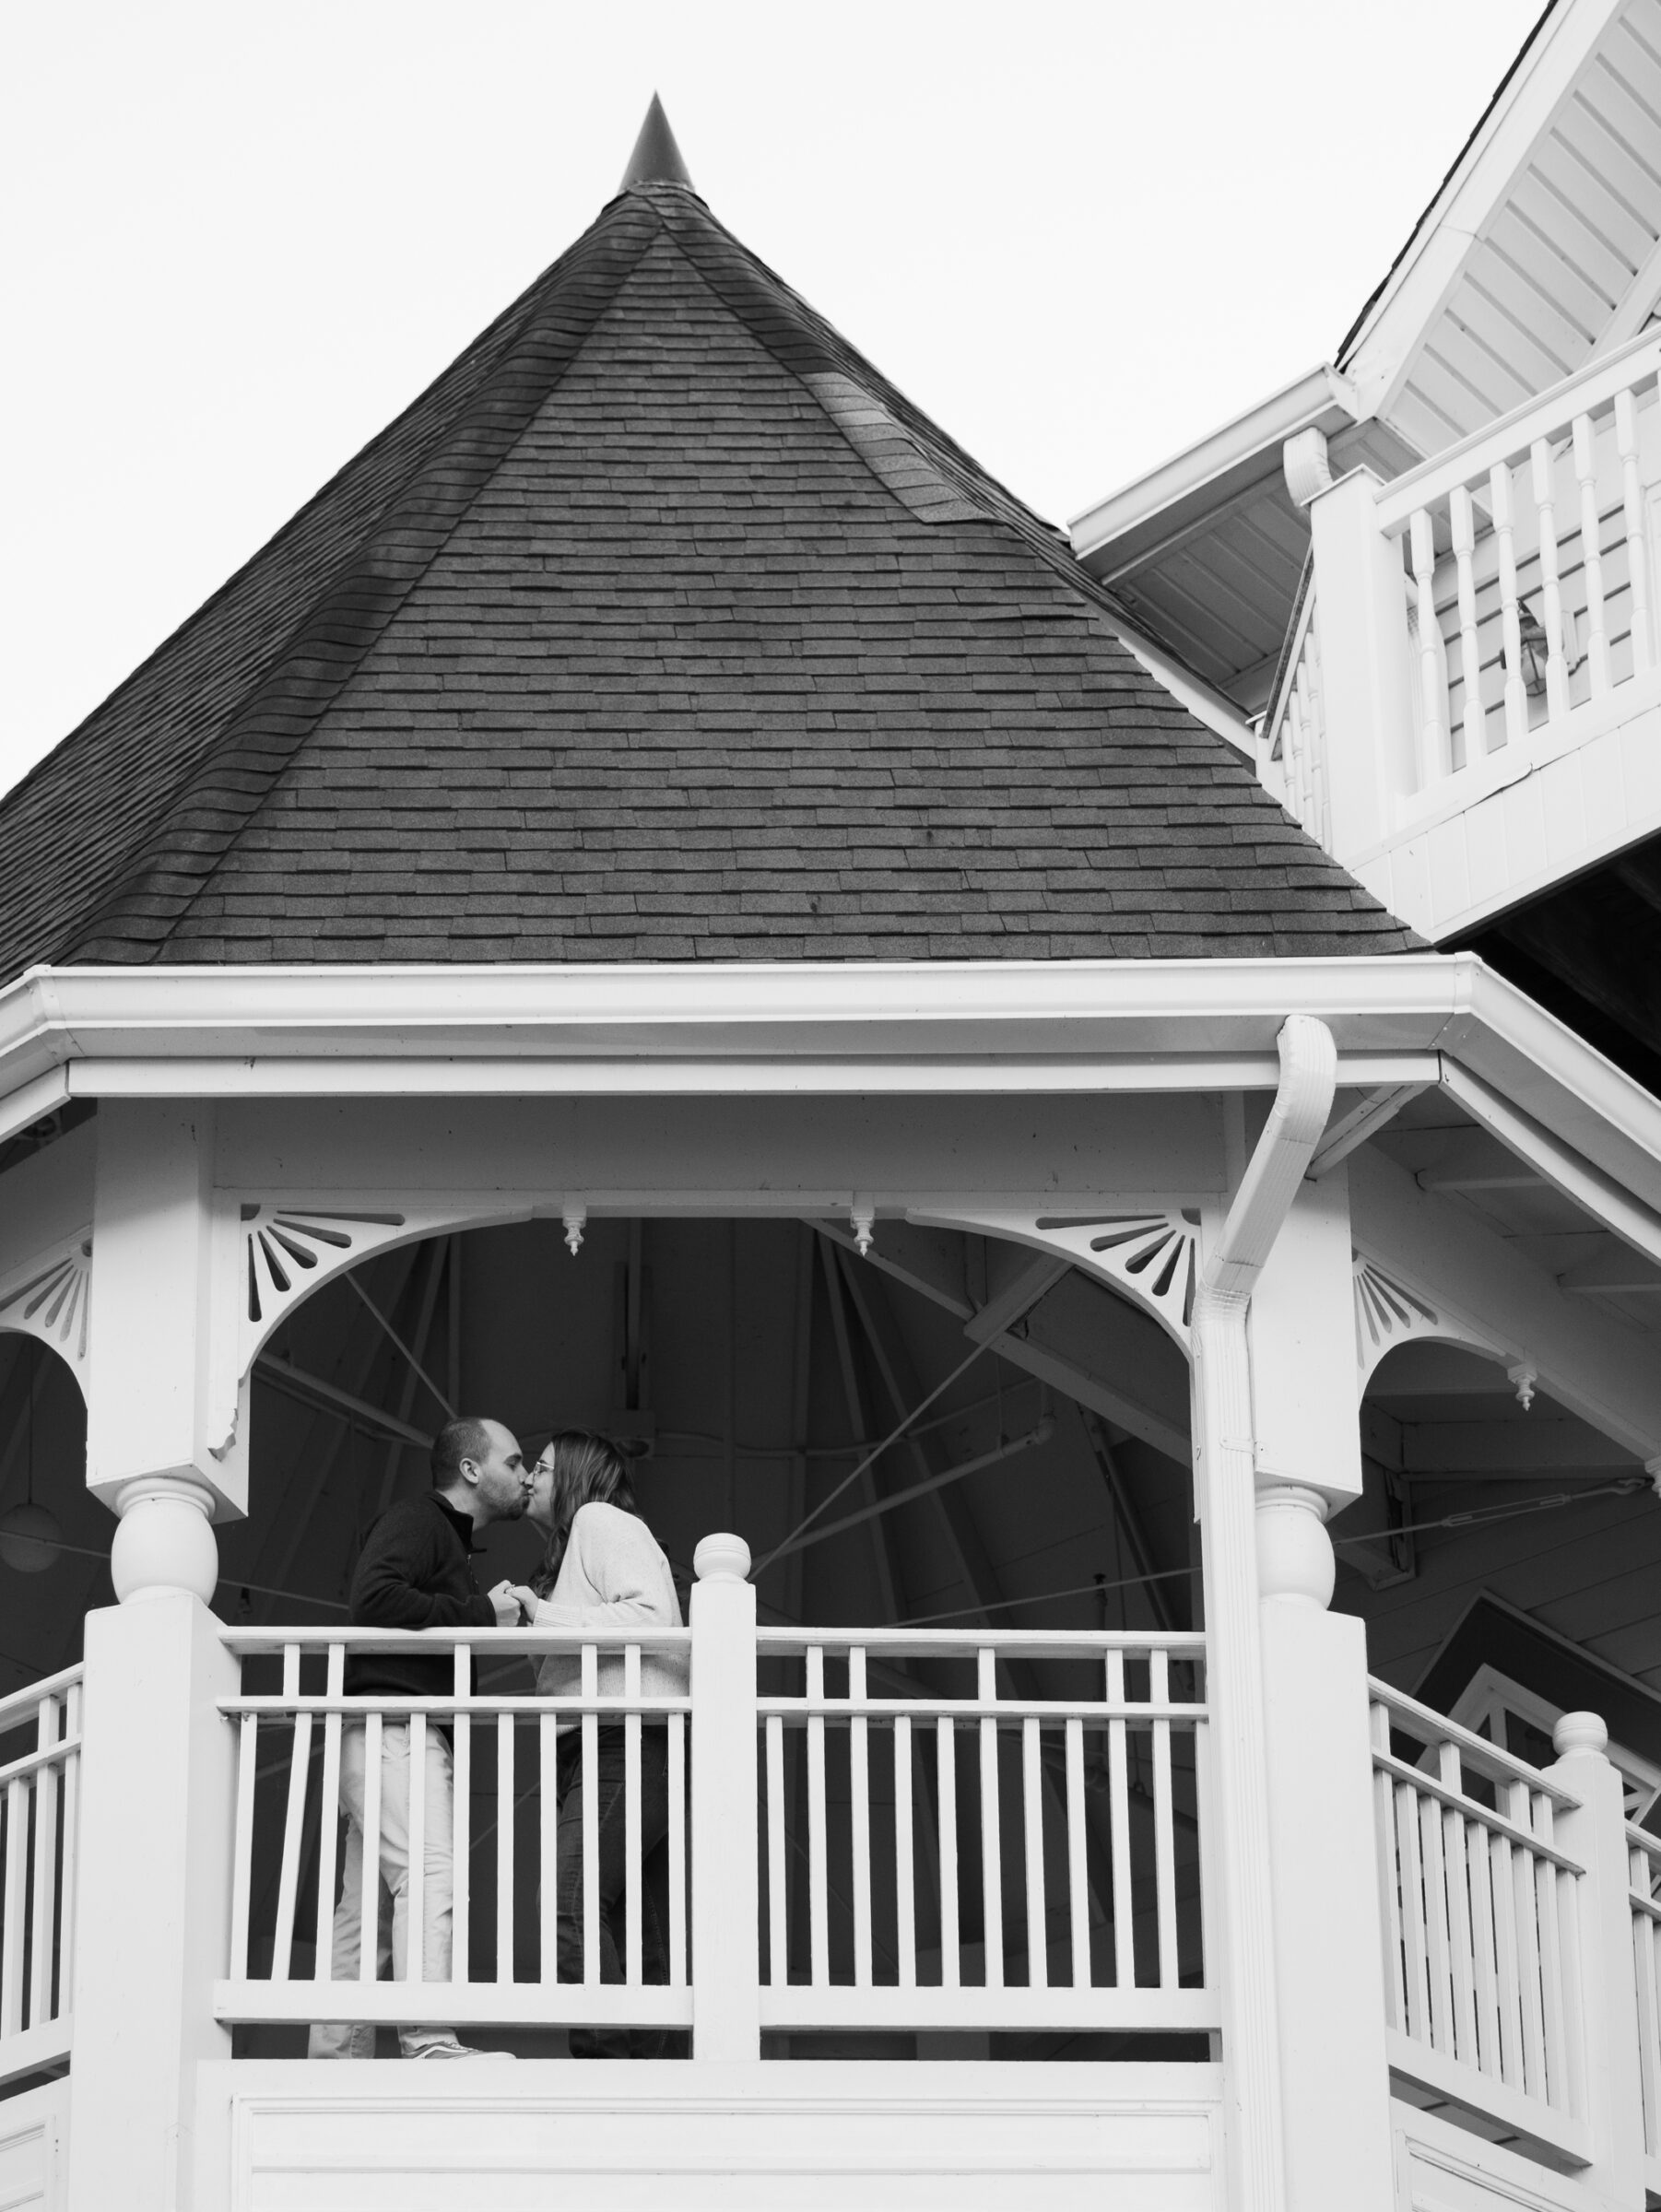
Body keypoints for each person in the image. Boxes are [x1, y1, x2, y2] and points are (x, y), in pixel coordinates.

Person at [309, 1416, 526, 2061]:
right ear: (470, 1469)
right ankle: (428, 2040)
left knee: (365, 1904)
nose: (523, 1474)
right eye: (513, 1462)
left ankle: (336, 2059)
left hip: (378, 1731)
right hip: (397, 1726)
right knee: (429, 1875)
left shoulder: (440, 1534)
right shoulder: (420, 1519)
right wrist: (482, 1613)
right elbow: (374, 1599)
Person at [510, 1431, 687, 2058]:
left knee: (570, 1903)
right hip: (602, 1744)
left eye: (541, 1467)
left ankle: (604, 2069)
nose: (529, 1478)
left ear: (575, 1476)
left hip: (623, 1735)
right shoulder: (568, 1554)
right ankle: (653, 2077)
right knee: (638, 1928)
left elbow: (652, 1616)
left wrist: (542, 1616)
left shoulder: (600, 1519)